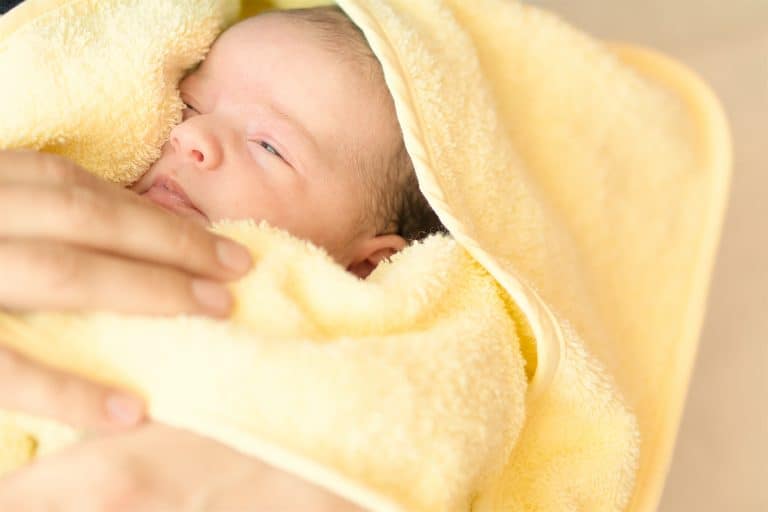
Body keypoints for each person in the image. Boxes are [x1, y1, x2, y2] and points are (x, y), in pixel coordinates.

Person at [0, 5, 447, 510]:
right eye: (190, 105)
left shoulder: (360, 348)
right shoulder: (56, 207)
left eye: (268, 146)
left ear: (367, 265)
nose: (191, 136)